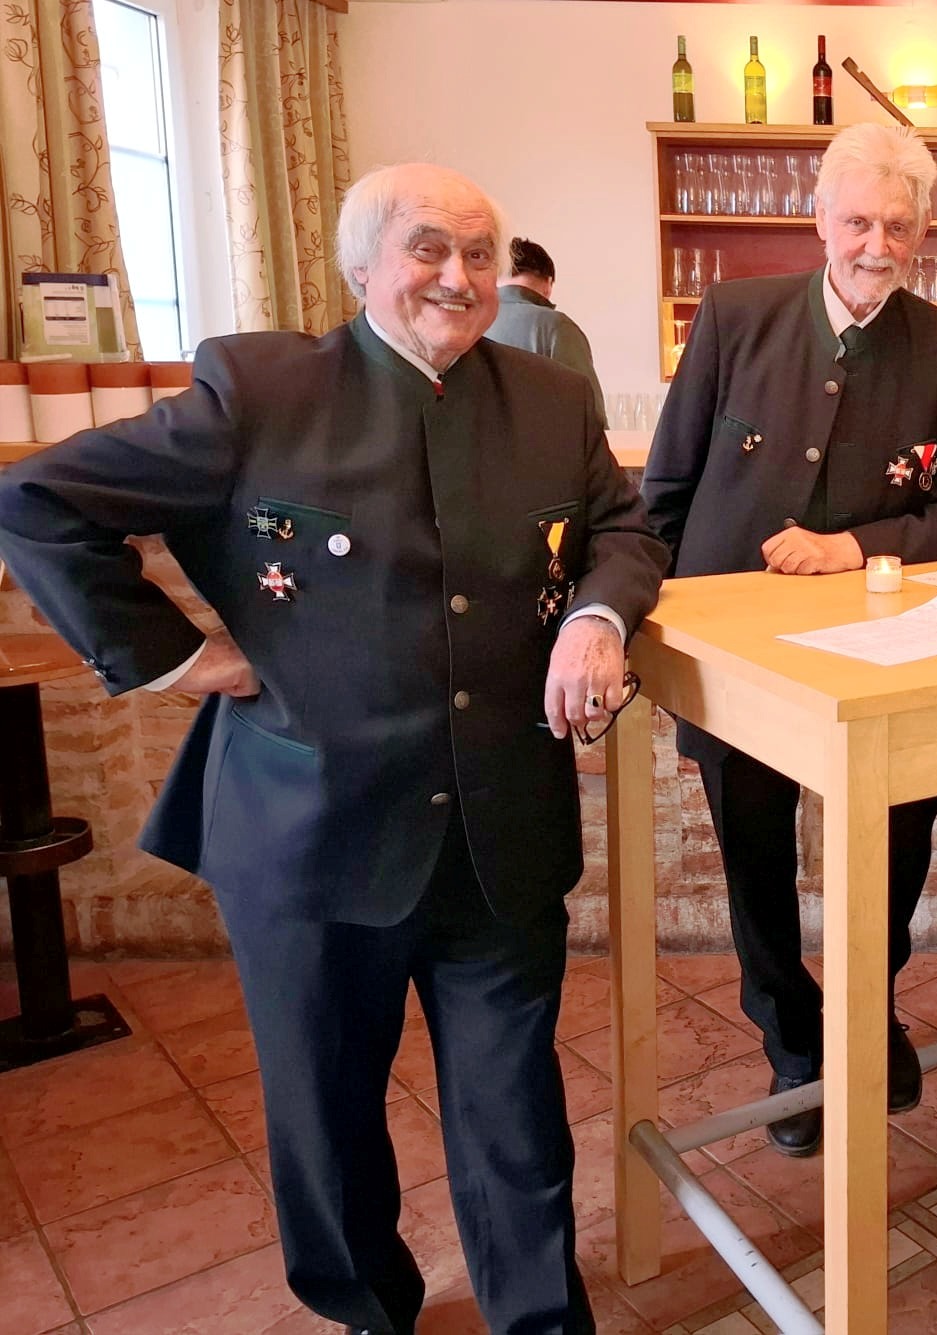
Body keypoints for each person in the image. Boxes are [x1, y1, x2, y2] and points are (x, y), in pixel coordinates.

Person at [0, 162, 669, 1335]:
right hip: (311, 834)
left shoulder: (551, 399)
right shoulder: (260, 390)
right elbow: (37, 501)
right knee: (326, 1114)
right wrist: (179, 660)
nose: (456, 277)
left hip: (497, 829)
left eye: (476, 253)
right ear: (361, 266)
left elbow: (623, 527)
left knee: (516, 1114)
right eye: (426, 248)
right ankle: (368, 1308)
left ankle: (540, 1320)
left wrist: (598, 617)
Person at [642, 122, 937, 1157]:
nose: (876, 245)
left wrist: (852, 545)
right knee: (753, 854)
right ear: (819, 220)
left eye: (897, 226)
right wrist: (645, 625)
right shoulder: (732, 315)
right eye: (857, 222)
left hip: (889, 650)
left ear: (922, 232)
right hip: (734, 648)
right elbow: (666, 487)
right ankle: (791, 1038)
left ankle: (868, 1010)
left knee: (898, 832)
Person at [486, 235, 609, 422]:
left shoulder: (471, 322)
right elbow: (589, 413)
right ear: (548, 284)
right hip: (538, 438)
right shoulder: (556, 327)